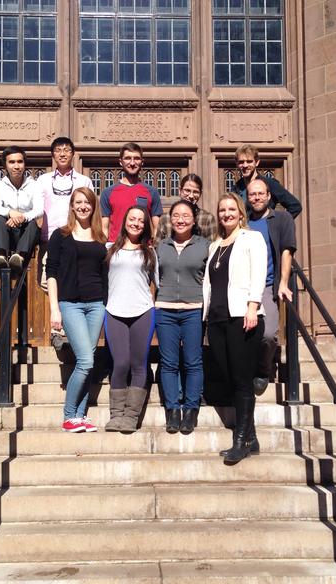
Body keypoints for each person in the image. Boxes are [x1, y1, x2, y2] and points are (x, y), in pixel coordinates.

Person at [203, 192, 267, 465]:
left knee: (242, 380)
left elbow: (259, 272)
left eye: (231, 209)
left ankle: (240, 442)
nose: (226, 214)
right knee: (230, 377)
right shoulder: (215, 245)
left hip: (243, 315)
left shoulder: (252, 238)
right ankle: (251, 438)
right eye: (222, 210)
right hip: (217, 318)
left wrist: (253, 305)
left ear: (240, 213)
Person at [46, 188, 108, 433]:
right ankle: (69, 415)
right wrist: (54, 309)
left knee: (89, 361)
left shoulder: (100, 237)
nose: (83, 206)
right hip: (70, 303)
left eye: (87, 202)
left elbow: (104, 274)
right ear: (72, 206)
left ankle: (81, 416)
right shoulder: (60, 235)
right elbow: (51, 273)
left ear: (93, 206)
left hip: (96, 305)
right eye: (78, 202)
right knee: (84, 360)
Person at [155, 199, 209, 434]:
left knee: (192, 361)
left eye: (186, 215)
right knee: (168, 363)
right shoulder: (161, 246)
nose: (180, 219)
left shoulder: (206, 245)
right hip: (165, 309)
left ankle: (190, 409)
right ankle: (172, 410)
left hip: (194, 310)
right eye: (176, 215)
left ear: (194, 220)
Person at [104, 205, 158, 433]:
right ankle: (116, 414)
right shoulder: (109, 249)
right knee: (121, 363)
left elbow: (159, 283)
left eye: (141, 220)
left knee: (138, 364)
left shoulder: (149, 252)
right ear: (125, 221)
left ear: (145, 226)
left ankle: (131, 416)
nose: (136, 223)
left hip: (142, 311)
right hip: (115, 311)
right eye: (132, 219)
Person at [36, 137, 92, 349]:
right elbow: (36, 207)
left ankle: (58, 330)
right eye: (58, 150)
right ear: (53, 155)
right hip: (51, 239)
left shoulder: (83, 181)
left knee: (71, 282)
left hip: (76, 238)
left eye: (66, 150)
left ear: (72, 154)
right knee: (46, 281)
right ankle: (63, 325)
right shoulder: (43, 180)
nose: (62, 154)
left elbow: (90, 207)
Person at [246, 178, 297, 393]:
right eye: (252, 194)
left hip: (268, 285)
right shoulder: (243, 222)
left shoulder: (282, 218)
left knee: (267, 335)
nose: (256, 197)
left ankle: (263, 369)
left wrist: (283, 283)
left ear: (268, 196)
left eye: (260, 194)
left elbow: (287, 251)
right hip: (244, 286)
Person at [0, 145, 43, 276]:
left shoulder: (35, 185)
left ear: (24, 164)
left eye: (20, 161)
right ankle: (1, 256)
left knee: (34, 223)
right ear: (5, 166)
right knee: (0, 219)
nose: (16, 166)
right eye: (12, 162)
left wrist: (22, 217)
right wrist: (10, 213)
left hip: (27, 233)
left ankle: (19, 257)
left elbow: (39, 210)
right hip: (8, 231)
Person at [100, 143, 162, 242]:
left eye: (136, 158)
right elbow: (104, 228)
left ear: (142, 162)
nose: (132, 163)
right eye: (128, 158)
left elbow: (157, 228)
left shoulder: (152, 192)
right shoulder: (107, 193)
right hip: (115, 247)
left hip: (143, 248)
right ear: (121, 162)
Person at [233, 144, 302, 218]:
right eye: (241, 162)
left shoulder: (269, 183)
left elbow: (295, 206)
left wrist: (279, 224)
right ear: (237, 163)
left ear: (257, 162)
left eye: (249, 161)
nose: (245, 165)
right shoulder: (236, 187)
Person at [155, 173, 217, 242]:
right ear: (180, 190)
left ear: (200, 194)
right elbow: (157, 248)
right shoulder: (165, 218)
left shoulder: (207, 218)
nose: (191, 196)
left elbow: (213, 249)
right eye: (187, 190)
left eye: (195, 192)